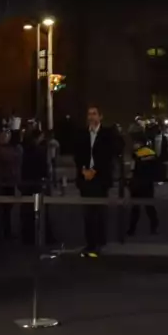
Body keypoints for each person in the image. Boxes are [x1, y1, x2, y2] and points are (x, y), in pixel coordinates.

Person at [69, 107, 119, 257]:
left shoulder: (107, 134)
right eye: (89, 114)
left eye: (94, 114)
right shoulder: (82, 134)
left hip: (100, 177)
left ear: (100, 116)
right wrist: (84, 170)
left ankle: (99, 241)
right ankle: (90, 243)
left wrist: (95, 170)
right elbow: (77, 154)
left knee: (99, 211)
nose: (91, 117)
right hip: (85, 177)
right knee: (88, 212)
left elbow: (108, 155)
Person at [0, 128, 21, 243]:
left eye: (7, 134)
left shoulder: (11, 149)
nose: (6, 136)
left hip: (9, 182)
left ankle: (6, 231)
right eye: (3, 134)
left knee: (7, 209)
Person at [127, 123, 161, 235]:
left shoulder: (136, 154)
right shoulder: (151, 152)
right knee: (149, 207)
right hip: (147, 183)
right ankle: (154, 227)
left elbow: (132, 169)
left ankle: (132, 229)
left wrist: (129, 181)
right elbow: (156, 168)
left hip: (137, 183)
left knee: (135, 208)